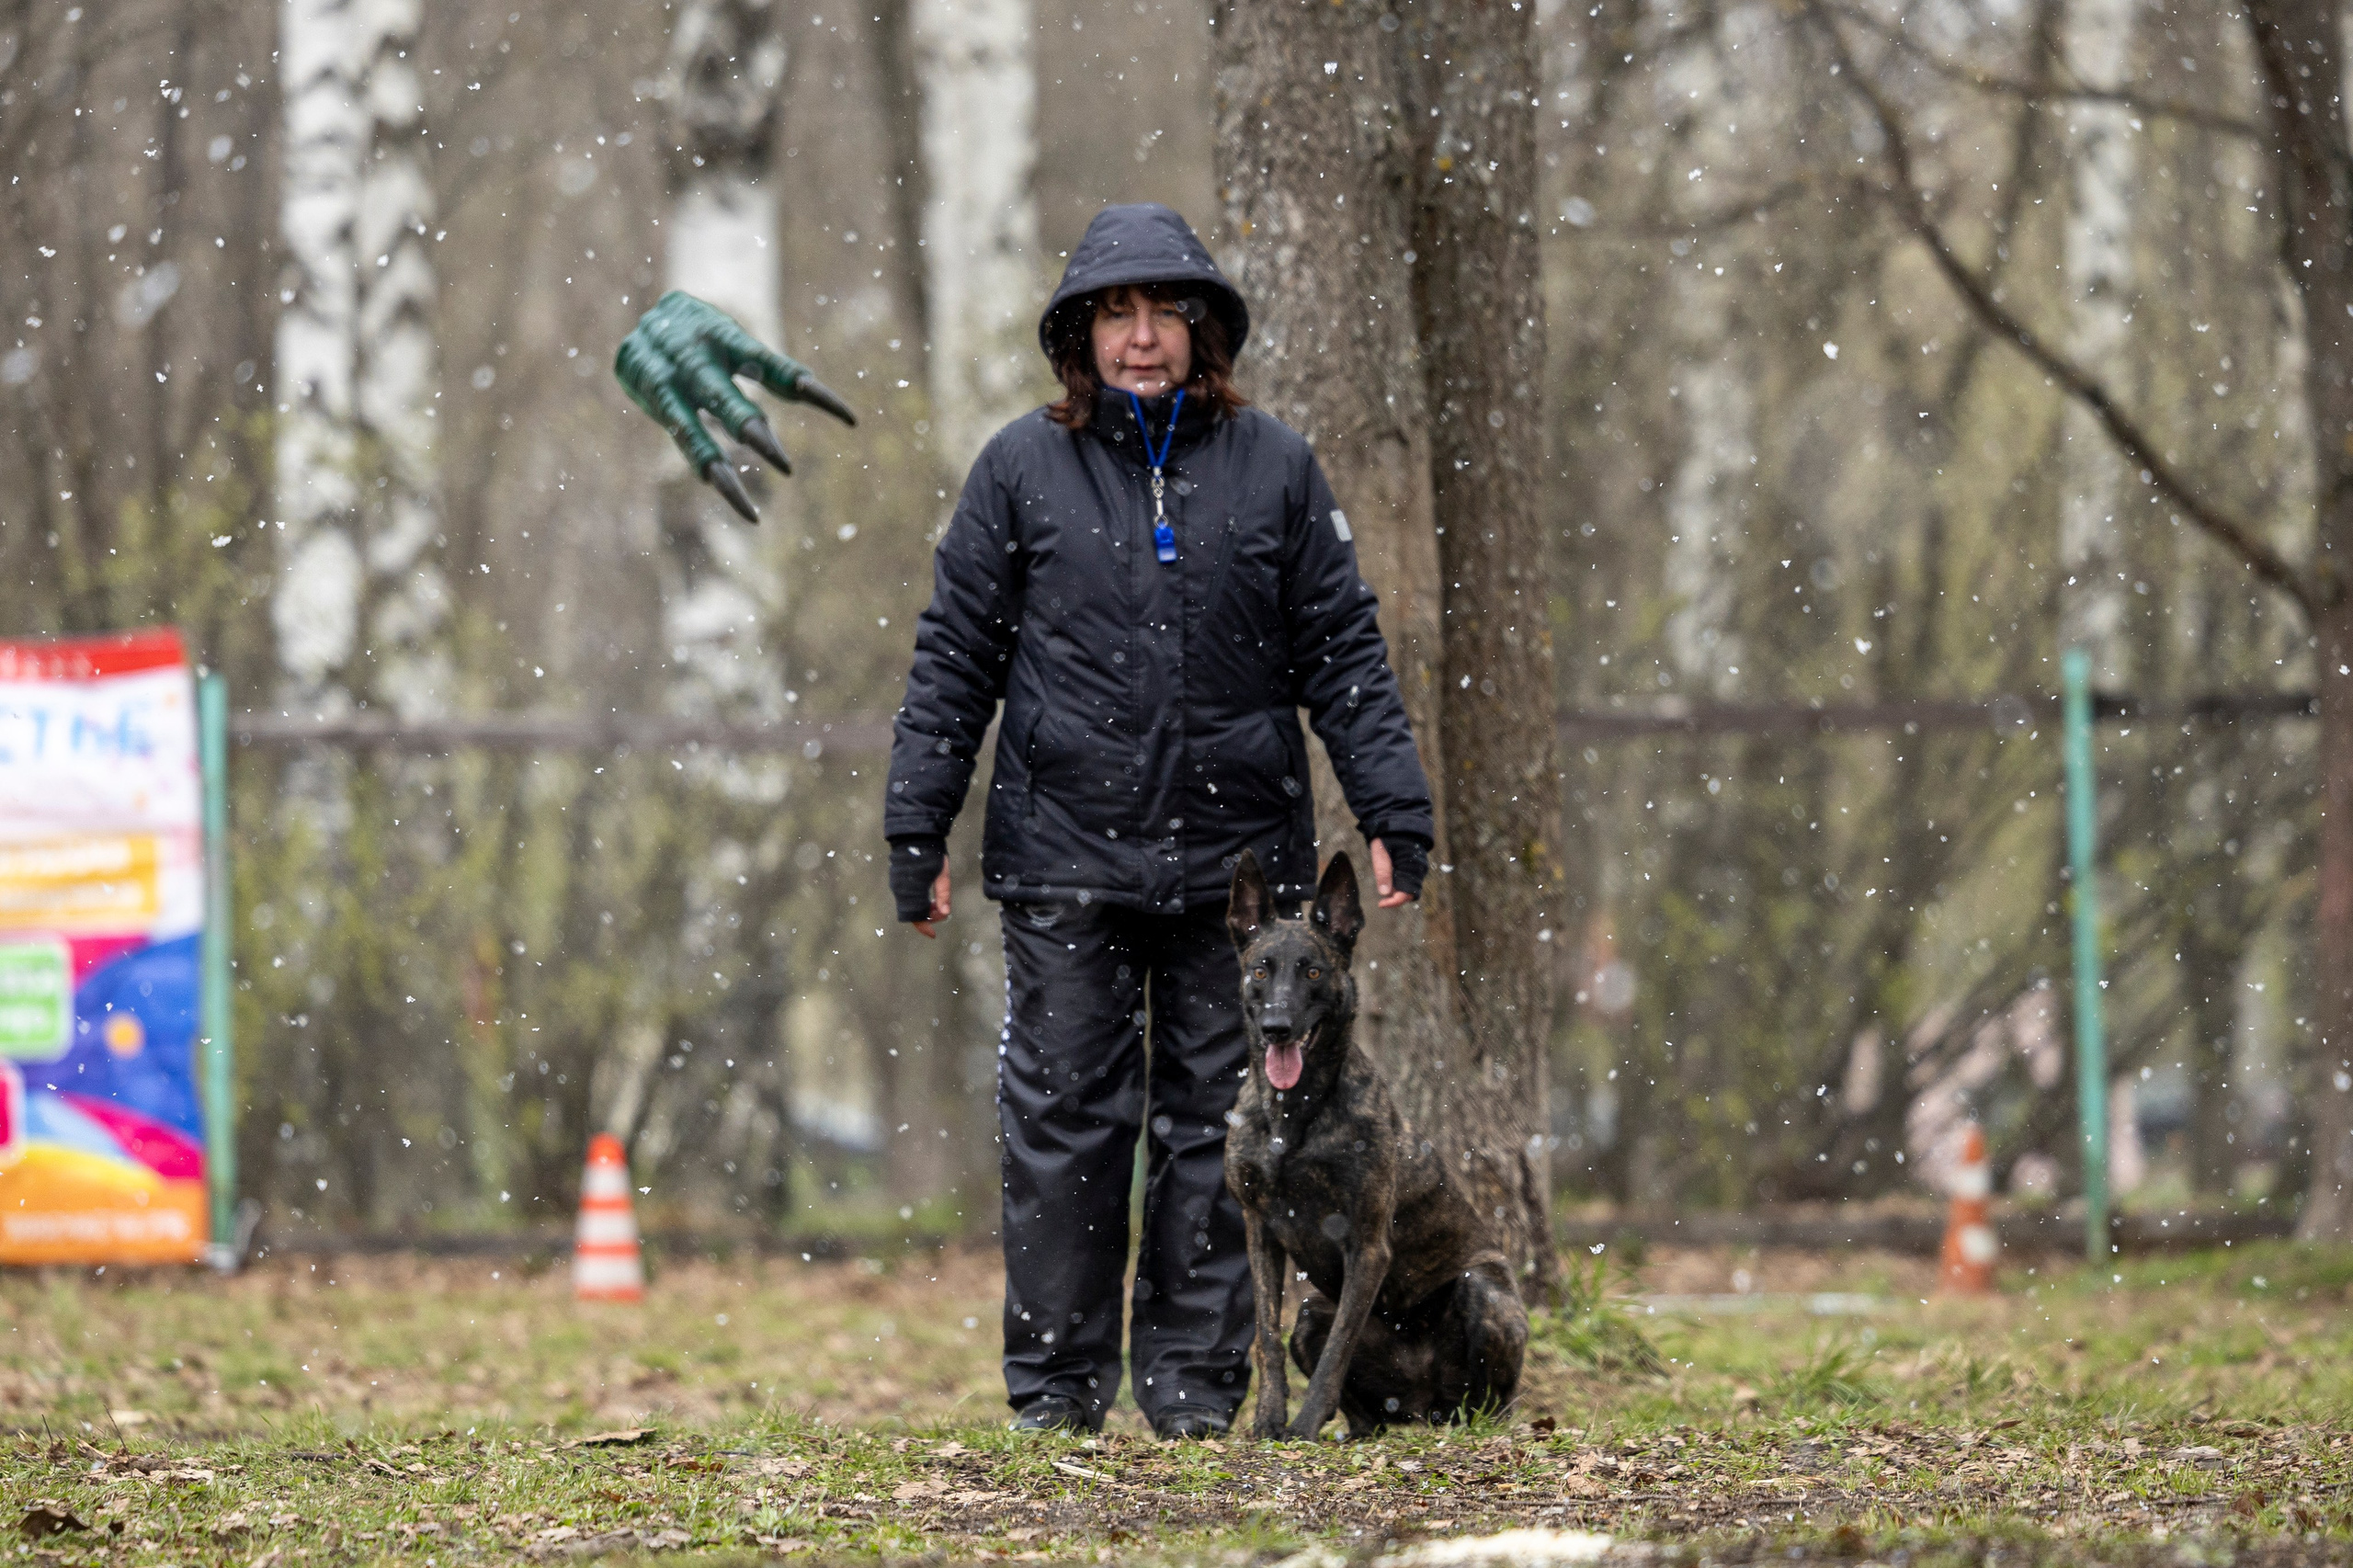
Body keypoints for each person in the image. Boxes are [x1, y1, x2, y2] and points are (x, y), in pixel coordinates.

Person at [883, 202, 1434, 1438]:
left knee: (1215, 1129)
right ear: (1079, 336)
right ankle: (1057, 1392)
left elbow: (1344, 650)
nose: (1141, 337)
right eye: (1116, 315)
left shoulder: (1276, 468)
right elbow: (954, 658)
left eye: (1165, 313)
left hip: (1235, 877)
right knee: (1063, 1126)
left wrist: (1393, 806)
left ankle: (1193, 1387)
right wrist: (916, 833)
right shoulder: (1018, 470)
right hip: (1062, 859)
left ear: (1203, 329)